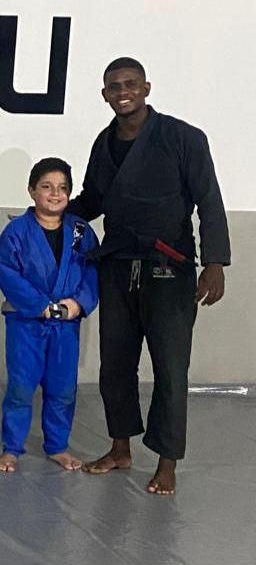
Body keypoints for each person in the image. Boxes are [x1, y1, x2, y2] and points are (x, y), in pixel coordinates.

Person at [68, 57, 230, 495]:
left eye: (131, 84)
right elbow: (94, 199)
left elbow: (209, 200)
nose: (123, 92)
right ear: (105, 94)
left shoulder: (183, 138)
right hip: (118, 264)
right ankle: (120, 447)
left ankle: (167, 461)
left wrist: (215, 262)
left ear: (146, 88)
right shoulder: (104, 143)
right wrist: (51, 213)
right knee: (115, 364)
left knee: (170, 368)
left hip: (169, 266)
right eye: (114, 86)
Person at [0, 158, 98, 473]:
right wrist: (38, 304)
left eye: (62, 188)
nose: (55, 194)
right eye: (47, 187)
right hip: (26, 322)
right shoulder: (16, 231)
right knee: (21, 387)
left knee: (63, 388)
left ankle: (57, 446)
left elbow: (94, 270)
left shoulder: (80, 231)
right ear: (31, 190)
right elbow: (4, 270)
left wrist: (78, 304)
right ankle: (12, 448)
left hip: (66, 324)